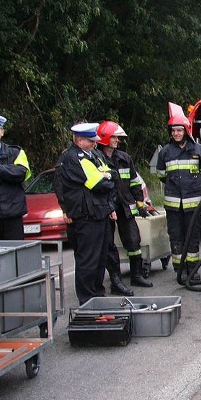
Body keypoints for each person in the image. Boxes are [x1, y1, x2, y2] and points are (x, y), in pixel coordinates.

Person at [54, 122, 116, 305]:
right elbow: (97, 183)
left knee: (100, 258)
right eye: (91, 141)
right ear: (79, 140)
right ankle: (87, 299)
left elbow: (113, 175)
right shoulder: (73, 158)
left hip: (100, 212)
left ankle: (98, 295)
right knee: (87, 260)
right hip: (85, 215)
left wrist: (107, 176)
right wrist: (105, 177)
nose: (95, 143)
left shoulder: (95, 155)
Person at [97, 120, 154, 293]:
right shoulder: (96, 159)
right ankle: (116, 280)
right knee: (108, 245)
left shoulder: (124, 158)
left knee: (133, 240)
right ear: (105, 137)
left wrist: (139, 201)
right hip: (107, 207)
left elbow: (135, 182)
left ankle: (136, 276)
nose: (117, 140)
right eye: (114, 137)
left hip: (126, 206)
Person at [155, 113, 201, 282]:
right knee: (176, 236)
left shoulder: (198, 151)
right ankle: (180, 269)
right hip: (173, 205)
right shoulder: (165, 152)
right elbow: (161, 174)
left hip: (193, 204)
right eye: (174, 131)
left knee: (192, 237)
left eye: (179, 130)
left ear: (186, 130)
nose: (176, 133)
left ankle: (192, 269)